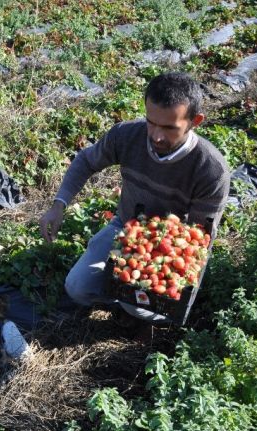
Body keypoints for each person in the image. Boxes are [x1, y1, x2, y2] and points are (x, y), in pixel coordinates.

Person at [38, 72, 230, 325]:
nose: (157, 136)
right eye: (151, 122)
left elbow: (197, 240)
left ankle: (133, 306)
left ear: (195, 121)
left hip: (170, 247)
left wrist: (182, 298)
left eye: (170, 128)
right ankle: (120, 295)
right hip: (125, 226)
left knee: (142, 305)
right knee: (77, 287)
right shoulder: (127, 136)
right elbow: (86, 160)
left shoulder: (210, 169)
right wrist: (58, 205)